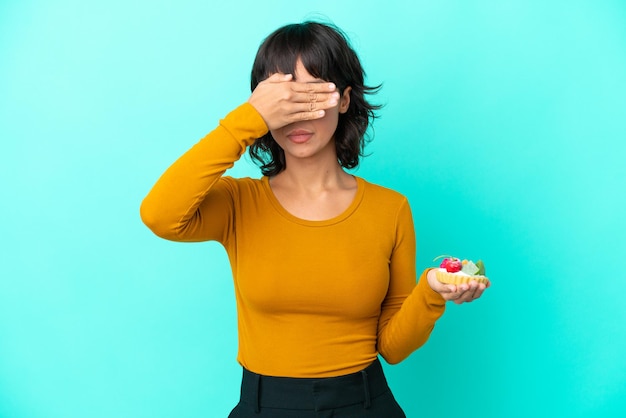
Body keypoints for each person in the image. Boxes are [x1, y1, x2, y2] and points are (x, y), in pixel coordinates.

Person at [140, 21, 488, 417]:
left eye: (312, 92)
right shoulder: (239, 203)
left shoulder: (390, 209)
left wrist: (429, 291)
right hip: (264, 406)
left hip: (365, 403)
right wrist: (247, 120)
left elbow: (391, 348)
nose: (297, 113)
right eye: (284, 97)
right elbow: (159, 215)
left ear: (343, 99)